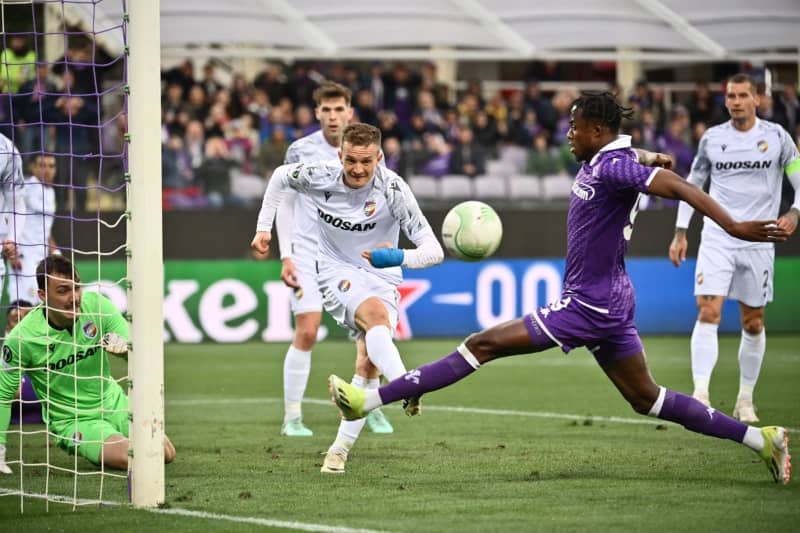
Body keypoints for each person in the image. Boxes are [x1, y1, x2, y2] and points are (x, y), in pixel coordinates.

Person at [329, 92, 792, 485]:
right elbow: (637, 160)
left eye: (575, 127)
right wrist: (648, 156)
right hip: (609, 300)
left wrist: (731, 224)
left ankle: (368, 400)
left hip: (589, 304)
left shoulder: (612, 168)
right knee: (646, 398)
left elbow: (675, 184)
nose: (568, 133)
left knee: (482, 344)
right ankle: (761, 439)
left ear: (596, 130)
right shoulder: (605, 160)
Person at [251, 123, 444, 473]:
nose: (358, 169)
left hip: (383, 273)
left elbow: (433, 252)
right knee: (375, 320)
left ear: (379, 158)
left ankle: (338, 452)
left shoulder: (394, 189)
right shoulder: (320, 175)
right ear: (340, 156)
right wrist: (264, 228)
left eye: (366, 162)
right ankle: (406, 384)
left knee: (368, 364)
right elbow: (280, 177)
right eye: (351, 160)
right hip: (336, 269)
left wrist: (398, 257)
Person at [668, 74, 800, 423]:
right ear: (725, 100)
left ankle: (744, 399)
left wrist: (795, 211)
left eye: (743, 95)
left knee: (753, 322)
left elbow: (798, 178)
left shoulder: (778, 138)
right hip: (717, 236)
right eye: (730, 95)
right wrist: (681, 232)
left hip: (758, 239)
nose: (736, 101)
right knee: (708, 311)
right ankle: (700, 395)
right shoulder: (712, 140)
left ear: (757, 99)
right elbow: (691, 187)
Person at [273, 81, 393, 437]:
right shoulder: (300, 151)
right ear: (316, 113)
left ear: (350, 112)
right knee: (307, 331)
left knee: (369, 334)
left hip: (351, 255)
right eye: (326, 109)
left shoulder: (366, 148)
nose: (332, 115)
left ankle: (370, 406)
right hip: (308, 254)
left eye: (339, 109)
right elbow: (285, 200)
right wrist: (286, 255)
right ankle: (292, 416)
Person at [0, 256, 176, 473]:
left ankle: (107, 447)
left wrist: (125, 353)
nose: (73, 298)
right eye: (63, 291)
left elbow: (140, 354)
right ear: (43, 295)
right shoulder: (23, 338)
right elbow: (3, 396)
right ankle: (100, 446)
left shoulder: (97, 306)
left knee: (164, 452)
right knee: (134, 456)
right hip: (74, 420)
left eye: (77, 288)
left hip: (112, 401)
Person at [6, 154, 58, 304]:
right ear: (33, 168)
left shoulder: (51, 192)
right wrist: (12, 251)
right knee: (21, 306)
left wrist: (56, 252)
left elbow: (45, 228)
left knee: (39, 305)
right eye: (42, 165)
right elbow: (7, 216)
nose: (47, 170)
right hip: (23, 258)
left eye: (51, 166)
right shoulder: (26, 188)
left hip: (42, 259)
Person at [4, 300, 42, 425]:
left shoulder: (54, 351)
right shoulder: (4, 359)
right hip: (13, 424)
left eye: (26, 319)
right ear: (8, 326)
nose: (21, 325)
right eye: (16, 319)